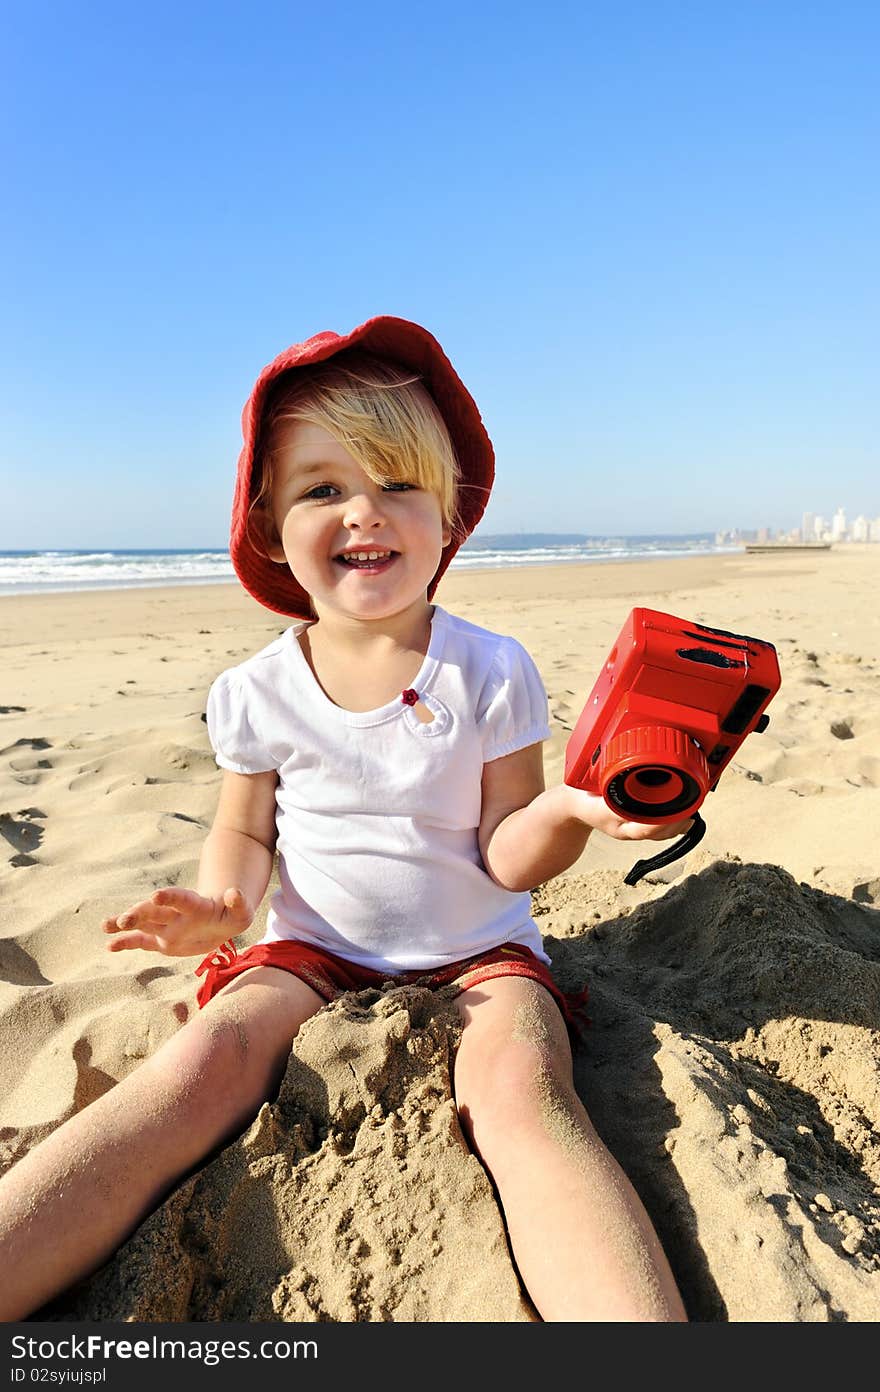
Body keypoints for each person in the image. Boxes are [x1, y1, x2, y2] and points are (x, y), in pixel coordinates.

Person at [0, 316, 688, 1322]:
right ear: (270, 523)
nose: (365, 511)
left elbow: (506, 856)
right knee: (200, 1065)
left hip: (478, 955)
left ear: (448, 519)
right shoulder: (256, 691)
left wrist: (570, 810)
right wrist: (223, 906)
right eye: (323, 488)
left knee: (527, 1099)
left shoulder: (491, 669)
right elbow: (245, 831)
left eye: (399, 484)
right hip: (308, 951)